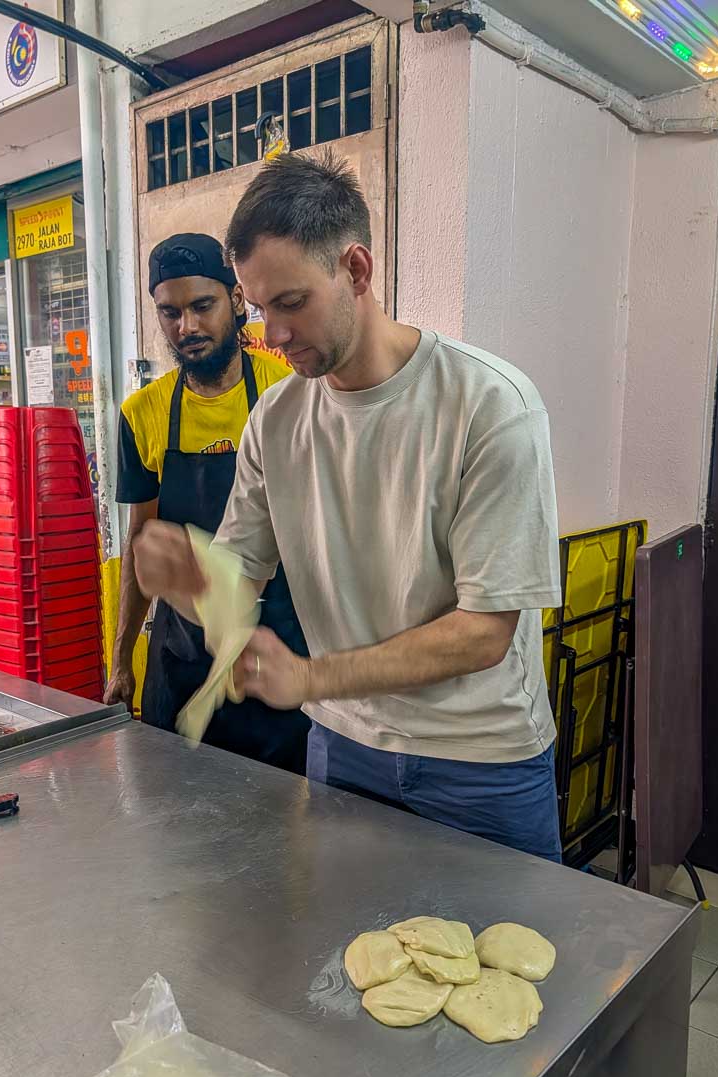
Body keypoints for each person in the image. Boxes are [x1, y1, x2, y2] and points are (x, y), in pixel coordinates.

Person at [133, 154, 565, 862]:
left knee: (500, 966)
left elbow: (484, 633)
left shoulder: (488, 408)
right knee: (347, 962)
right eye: (259, 307)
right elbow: (240, 580)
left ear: (356, 271)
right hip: (341, 749)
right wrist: (188, 579)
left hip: (479, 761)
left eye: (291, 302)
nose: (271, 335)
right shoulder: (276, 421)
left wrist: (311, 678)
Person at [105, 232, 310, 773]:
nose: (187, 327)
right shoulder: (141, 414)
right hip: (181, 657)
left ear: (237, 301)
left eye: (202, 306)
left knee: (281, 828)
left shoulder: (287, 392)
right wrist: (122, 659)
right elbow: (140, 543)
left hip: (276, 648)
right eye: (169, 312)